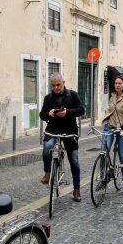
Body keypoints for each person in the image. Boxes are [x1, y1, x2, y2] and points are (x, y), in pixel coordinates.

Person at [39, 73, 85, 202]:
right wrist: (48, 114)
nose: (56, 87)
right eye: (53, 85)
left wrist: (67, 113)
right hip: (53, 129)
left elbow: (81, 110)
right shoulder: (48, 98)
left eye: (58, 84)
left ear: (63, 83)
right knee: (47, 146)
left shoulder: (72, 95)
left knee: (74, 160)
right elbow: (41, 115)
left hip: (70, 130)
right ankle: (48, 172)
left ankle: (76, 189)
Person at [102, 75, 123, 196]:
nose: (117, 85)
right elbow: (109, 111)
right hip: (109, 127)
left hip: (122, 129)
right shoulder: (112, 96)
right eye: (115, 83)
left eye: (119, 83)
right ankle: (102, 178)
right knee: (103, 152)